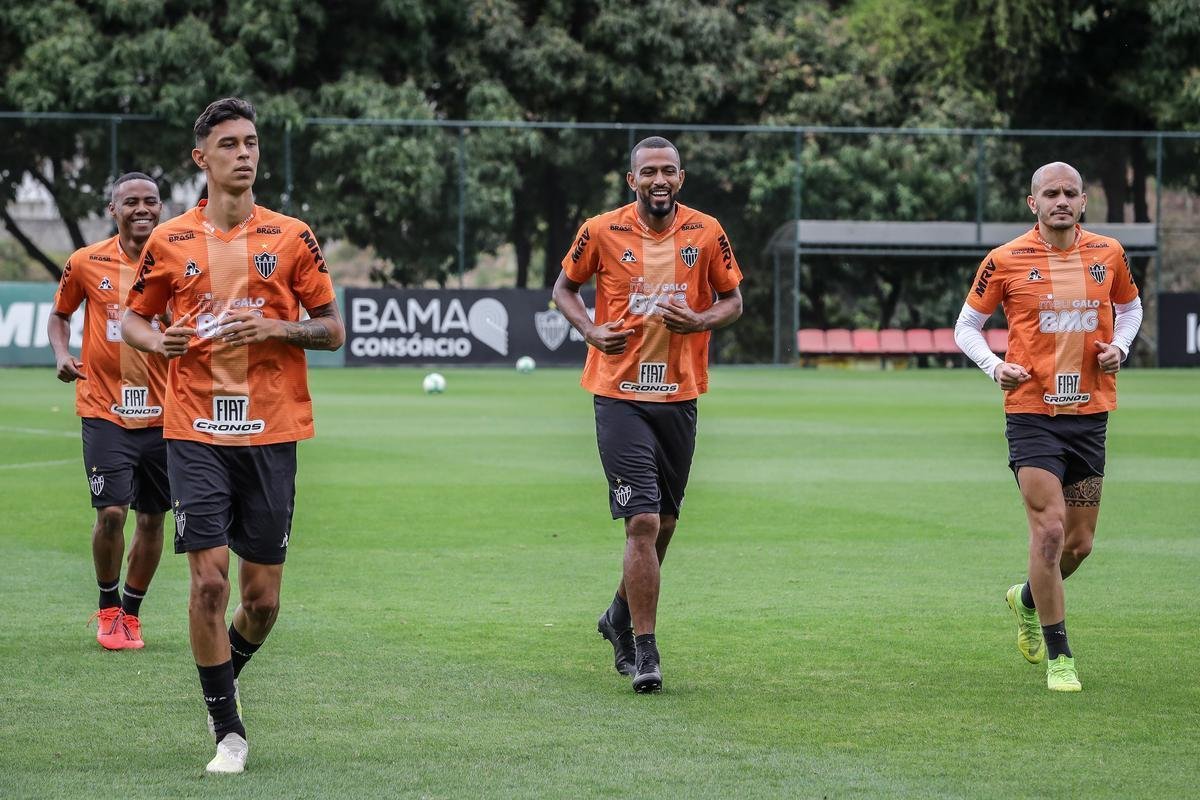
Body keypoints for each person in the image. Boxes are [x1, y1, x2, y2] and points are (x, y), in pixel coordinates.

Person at [122, 97, 344, 773]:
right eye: (229, 145)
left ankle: (223, 670)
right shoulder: (170, 242)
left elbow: (332, 330)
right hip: (193, 429)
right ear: (202, 159)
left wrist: (278, 328)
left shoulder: (291, 236)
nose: (244, 154)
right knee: (210, 586)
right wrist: (160, 342)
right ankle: (228, 729)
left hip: (273, 432)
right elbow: (133, 321)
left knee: (262, 600)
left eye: (251, 143)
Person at [551, 136, 743, 693]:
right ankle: (645, 649)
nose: (658, 181)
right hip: (618, 393)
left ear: (680, 179)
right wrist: (589, 330)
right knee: (641, 521)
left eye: (668, 172)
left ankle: (616, 614)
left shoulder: (707, 232)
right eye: (648, 172)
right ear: (631, 180)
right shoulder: (600, 230)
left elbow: (734, 300)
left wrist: (701, 321)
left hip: (679, 395)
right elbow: (564, 288)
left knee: (666, 525)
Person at [954, 161, 1142, 692]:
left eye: (1070, 193)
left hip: (1090, 416)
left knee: (1077, 547)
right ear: (1032, 203)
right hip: (1032, 413)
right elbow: (967, 326)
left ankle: (1027, 599)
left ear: (1084, 201)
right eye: (1051, 194)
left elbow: (1130, 309)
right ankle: (1061, 656)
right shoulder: (1005, 260)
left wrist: (1120, 347)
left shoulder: (1109, 254)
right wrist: (996, 366)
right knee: (1050, 530)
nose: (1062, 201)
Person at [49, 172, 169, 651]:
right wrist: (61, 354)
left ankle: (132, 614)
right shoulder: (85, 261)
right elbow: (61, 314)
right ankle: (107, 606)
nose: (142, 209)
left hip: (165, 412)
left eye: (151, 201)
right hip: (104, 408)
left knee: (154, 518)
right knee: (113, 513)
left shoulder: (179, 261)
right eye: (131, 202)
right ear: (112, 209)